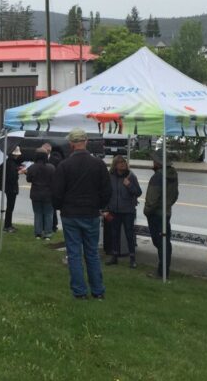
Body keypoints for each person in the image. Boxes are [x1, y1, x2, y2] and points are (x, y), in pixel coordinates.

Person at [51, 128, 111, 300]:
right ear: (85, 142)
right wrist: (99, 205)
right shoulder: (98, 164)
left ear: (71, 144)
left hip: (70, 214)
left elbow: (56, 192)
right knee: (92, 252)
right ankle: (98, 291)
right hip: (91, 213)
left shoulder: (64, 165)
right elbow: (107, 190)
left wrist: (60, 206)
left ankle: (79, 292)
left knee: (74, 253)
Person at [144, 156, 179, 280]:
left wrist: (147, 211)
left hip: (156, 214)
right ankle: (164, 270)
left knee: (160, 242)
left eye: (154, 161)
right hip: (166, 212)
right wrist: (167, 205)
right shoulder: (173, 175)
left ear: (158, 163)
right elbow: (175, 195)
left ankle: (162, 272)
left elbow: (152, 199)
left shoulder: (158, 177)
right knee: (165, 242)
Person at [105, 155, 142, 267]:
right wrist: (106, 208)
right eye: (120, 163)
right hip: (114, 210)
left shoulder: (131, 176)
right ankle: (114, 256)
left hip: (127, 211)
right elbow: (107, 193)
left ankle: (132, 258)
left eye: (124, 162)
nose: (123, 164)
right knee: (114, 234)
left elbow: (138, 192)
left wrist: (129, 185)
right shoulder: (110, 176)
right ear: (115, 165)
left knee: (129, 234)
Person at [26, 147, 56, 239]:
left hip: (36, 193)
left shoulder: (32, 167)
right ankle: (48, 234)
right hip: (48, 194)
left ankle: (38, 233)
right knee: (48, 214)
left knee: (38, 213)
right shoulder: (51, 167)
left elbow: (28, 179)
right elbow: (55, 180)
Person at [0, 146, 24, 233]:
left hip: (7, 187)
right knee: (10, 207)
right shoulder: (11, 163)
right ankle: (7, 226)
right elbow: (11, 177)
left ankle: (8, 224)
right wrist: (18, 172)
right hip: (11, 188)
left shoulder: (8, 161)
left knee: (10, 207)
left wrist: (17, 169)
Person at [42, 142, 61, 233]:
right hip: (44, 186)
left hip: (52, 186)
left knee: (52, 208)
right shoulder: (41, 159)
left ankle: (54, 226)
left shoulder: (55, 159)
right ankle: (45, 225)